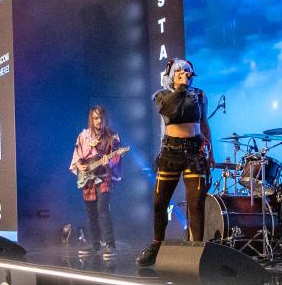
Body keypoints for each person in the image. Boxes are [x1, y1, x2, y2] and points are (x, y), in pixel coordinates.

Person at [136, 58, 214, 268]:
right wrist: (180, 88)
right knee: (159, 202)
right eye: (180, 72)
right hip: (171, 151)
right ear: (172, 75)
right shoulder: (161, 95)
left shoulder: (199, 95)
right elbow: (172, 112)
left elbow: (204, 124)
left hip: (194, 151)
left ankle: (196, 251)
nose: (185, 75)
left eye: (187, 72)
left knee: (195, 204)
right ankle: (156, 246)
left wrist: (211, 154)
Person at [69, 106, 123, 258]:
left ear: (105, 118)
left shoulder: (112, 137)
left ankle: (110, 245)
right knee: (91, 213)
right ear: (91, 119)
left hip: (104, 176)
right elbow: (77, 154)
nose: (99, 121)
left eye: (101, 118)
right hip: (88, 178)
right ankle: (95, 244)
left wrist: (108, 162)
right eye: (95, 118)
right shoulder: (84, 136)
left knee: (103, 209)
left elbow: (116, 157)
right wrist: (79, 165)